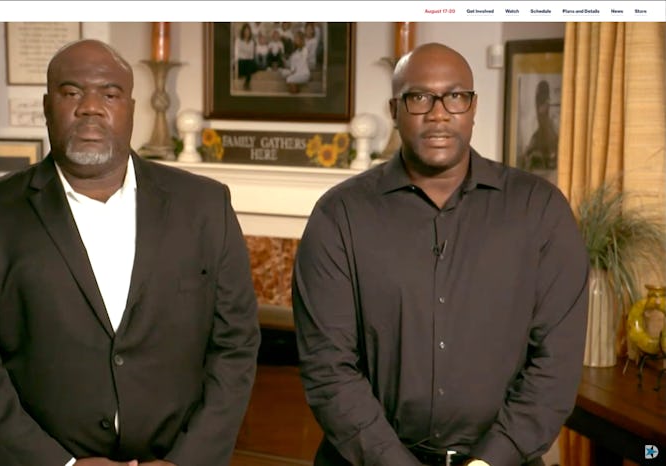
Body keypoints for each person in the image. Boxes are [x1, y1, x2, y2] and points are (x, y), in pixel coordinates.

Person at [0, 39, 260, 466]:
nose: (90, 107)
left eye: (109, 93)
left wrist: (188, 460)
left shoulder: (205, 206)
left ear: (131, 108)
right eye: (71, 93)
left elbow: (236, 345)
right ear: (48, 107)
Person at [292, 43, 588, 466]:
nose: (438, 113)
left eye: (455, 96)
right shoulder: (339, 216)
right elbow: (328, 369)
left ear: (472, 107)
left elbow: (555, 367)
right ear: (395, 109)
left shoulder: (540, 211)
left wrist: (489, 462)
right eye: (419, 98)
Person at [520, 79, 559, 171]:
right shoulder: (533, 133)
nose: (541, 108)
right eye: (540, 102)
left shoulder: (554, 124)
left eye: (544, 101)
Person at [234, 23, 256, 90]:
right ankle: (244, 78)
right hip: (240, 60)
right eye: (245, 31)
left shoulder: (252, 42)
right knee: (248, 64)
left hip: (248, 61)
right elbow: (236, 53)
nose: (247, 33)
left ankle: (247, 83)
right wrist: (237, 61)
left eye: (248, 31)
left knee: (253, 64)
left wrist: (249, 59)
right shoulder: (238, 40)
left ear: (250, 32)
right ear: (243, 31)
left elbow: (251, 55)